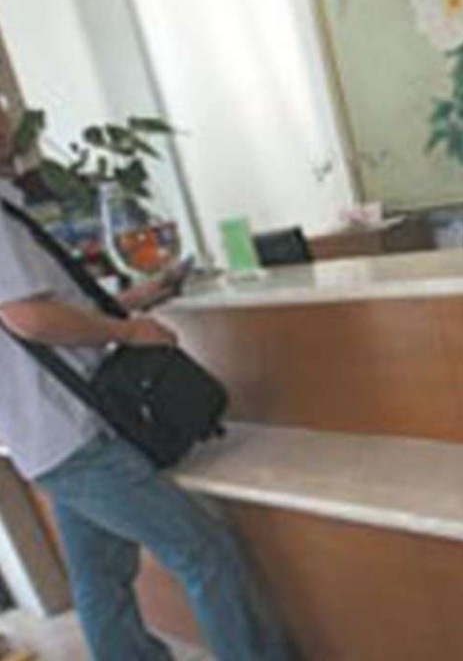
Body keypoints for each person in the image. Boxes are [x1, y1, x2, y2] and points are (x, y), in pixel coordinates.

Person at [0, 180, 289, 659]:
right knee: (204, 553)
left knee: (100, 578)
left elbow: (50, 307)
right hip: (72, 437)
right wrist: (127, 331)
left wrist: (133, 300)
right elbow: (28, 317)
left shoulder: (9, 207)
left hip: (52, 437)